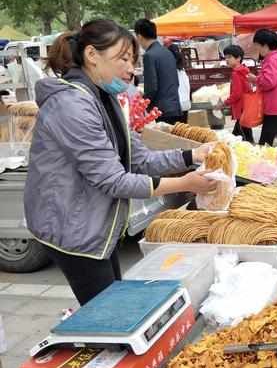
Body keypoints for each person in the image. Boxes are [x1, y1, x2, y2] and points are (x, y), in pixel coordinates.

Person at [26, 20, 217, 305]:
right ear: (92, 55)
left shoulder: (105, 98)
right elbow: (113, 180)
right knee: (106, 313)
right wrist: (185, 183)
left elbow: (137, 159)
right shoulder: (72, 105)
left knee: (114, 303)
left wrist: (192, 156)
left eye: (133, 59)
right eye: (123, 59)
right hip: (73, 229)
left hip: (99, 225)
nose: (131, 69)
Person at [248, 29, 277, 151]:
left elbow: (269, 82)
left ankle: (261, 167)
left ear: (265, 45)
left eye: (257, 46)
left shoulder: (270, 60)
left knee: (264, 143)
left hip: (275, 108)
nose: (257, 50)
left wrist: (255, 79)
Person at [134, 19, 182, 124]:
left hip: (160, 111)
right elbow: (176, 82)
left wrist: (142, 105)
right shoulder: (168, 52)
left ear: (139, 37)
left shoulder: (149, 56)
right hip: (175, 107)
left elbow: (151, 87)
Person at [223, 45, 253, 143]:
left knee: (244, 138)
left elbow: (237, 94)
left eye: (229, 57)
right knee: (239, 136)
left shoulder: (236, 73)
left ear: (238, 58)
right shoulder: (244, 70)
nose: (227, 60)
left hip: (241, 109)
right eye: (225, 57)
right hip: (246, 107)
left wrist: (225, 102)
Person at [167, 43, 191, 121]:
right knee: (183, 129)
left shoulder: (169, 69)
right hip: (185, 104)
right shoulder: (182, 69)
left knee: (176, 130)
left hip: (176, 105)